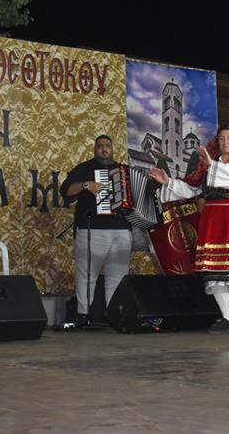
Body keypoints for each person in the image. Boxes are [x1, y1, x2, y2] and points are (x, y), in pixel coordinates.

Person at [149, 124, 229, 333]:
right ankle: (228, 318)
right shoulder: (208, 165)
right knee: (212, 269)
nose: (225, 142)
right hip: (212, 216)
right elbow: (192, 188)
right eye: (222, 138)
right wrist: (168, 181)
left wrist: (213, 165)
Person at [60, 135, 132, 327]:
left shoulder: (124, 171)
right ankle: (83, 315)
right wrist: (86, 185)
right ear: (95, 149)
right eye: (100, 146)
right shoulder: (85, 168)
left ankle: (113, 314)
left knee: (117, 275)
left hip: (121, 230)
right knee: (87, 274)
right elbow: (65, 190)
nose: (104, 149)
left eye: (107, 145)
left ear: (112, 148)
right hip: (92, 228)